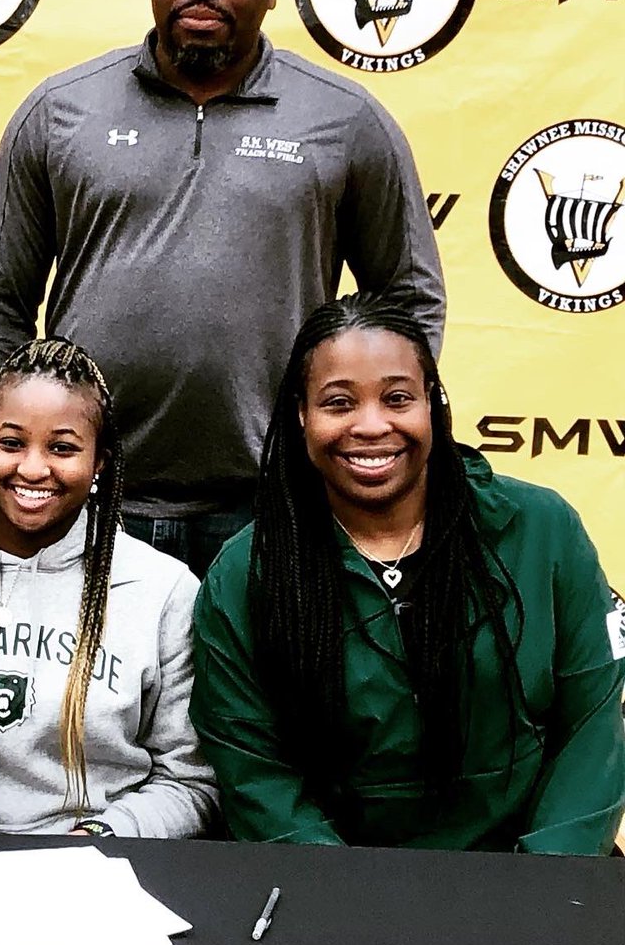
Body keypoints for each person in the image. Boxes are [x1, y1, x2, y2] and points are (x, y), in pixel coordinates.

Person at [0, 0, 445, 577]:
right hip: (80, 499)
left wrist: (360, 445)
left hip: (274, 506)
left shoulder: (344, 121)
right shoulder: (61, 112)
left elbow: (408, 300)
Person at [190, 293, 625, 852]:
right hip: (330, 880)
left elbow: (593, 728)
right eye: (339, 403)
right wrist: (344, 892)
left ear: (433, 405)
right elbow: (253, 771)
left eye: (397, 398)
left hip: (531, 873)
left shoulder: (544, 530)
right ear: (301, 415)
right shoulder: (245, 572)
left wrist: (543, 878)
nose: (372, 426)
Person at [0, 338, 218, 836]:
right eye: (11, 443)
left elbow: (189, 780)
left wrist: (98, 841)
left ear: (99, 462)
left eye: (62, 448)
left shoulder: (163, 591)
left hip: (99, 866)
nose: (32, 469)